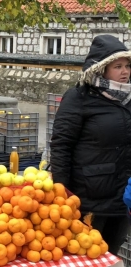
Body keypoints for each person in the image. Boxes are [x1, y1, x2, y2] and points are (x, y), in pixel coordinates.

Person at [50, 34, 131, 255]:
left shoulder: (128, 98)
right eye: (118, 66)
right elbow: (61, 146)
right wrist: (61, 193)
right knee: (85, 256)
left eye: (127, 66)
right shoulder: (79, 98)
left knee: (111, 254)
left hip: (122, 198)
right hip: (88, 198)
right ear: (101, 68)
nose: (125, 71)